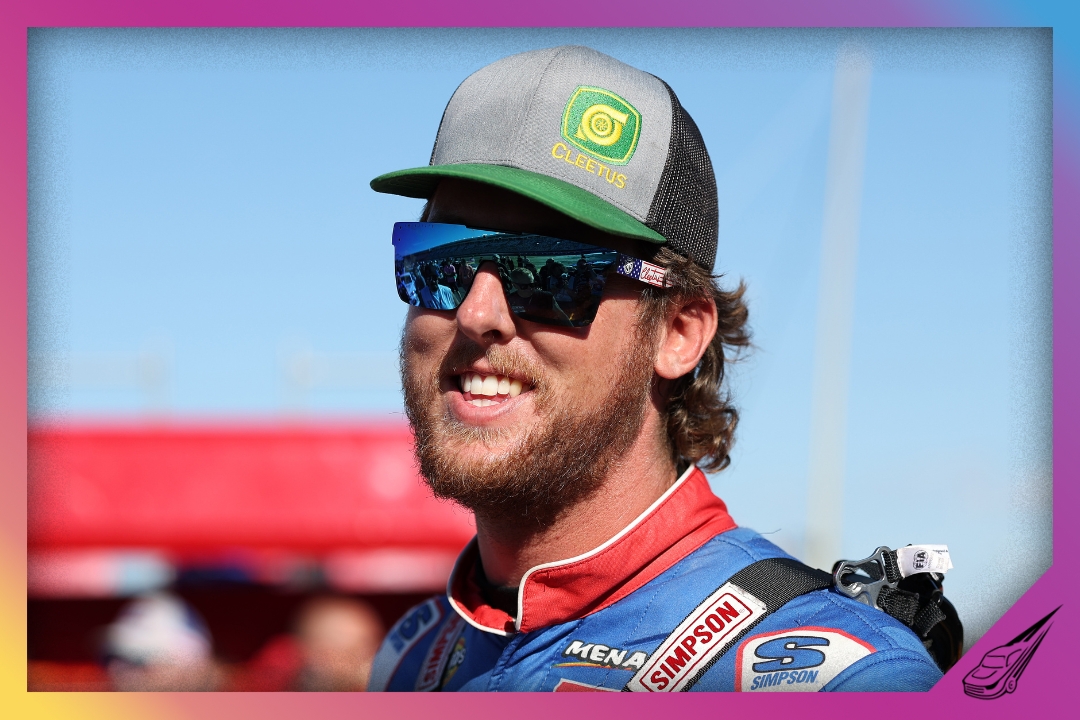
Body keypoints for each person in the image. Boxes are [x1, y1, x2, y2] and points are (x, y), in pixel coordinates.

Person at [366, 45, 944, 692]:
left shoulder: (839, 681)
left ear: (679, 332)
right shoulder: (409, 659)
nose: (477, 313)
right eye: (442, 262)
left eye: (551, 273)